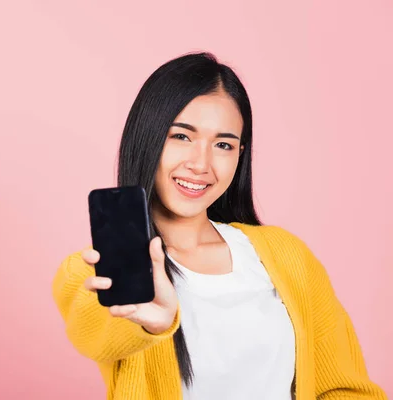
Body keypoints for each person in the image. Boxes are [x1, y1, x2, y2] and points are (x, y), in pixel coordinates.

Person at [51, 52, 387, 400]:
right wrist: (151, 323)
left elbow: (344, 388)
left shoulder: (288, 256)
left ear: (241, 154)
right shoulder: (92, 270)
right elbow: (92, 334)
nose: (201, 163)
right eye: (181, 136)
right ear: (147, 138)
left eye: (223, 144)